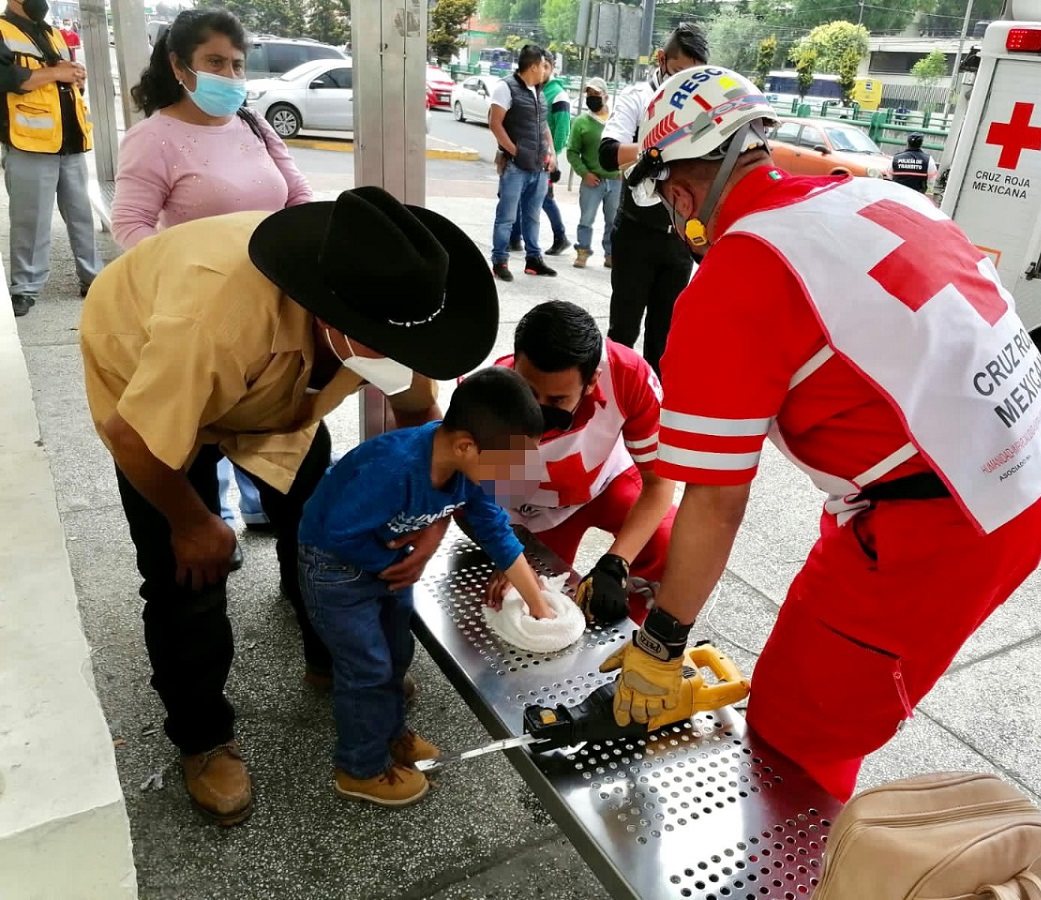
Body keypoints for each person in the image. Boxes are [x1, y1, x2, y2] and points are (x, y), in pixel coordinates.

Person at [609, 67, 1041, 803]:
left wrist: (662, 642)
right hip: (1021, 472)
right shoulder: (879, 193)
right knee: (826, 672)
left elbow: (713, 501)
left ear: (679, 193)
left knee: (800, 729)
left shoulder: (738, 272)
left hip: (940, 529)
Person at [79, 186, 499, 825]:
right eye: (381, 346)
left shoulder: (394, 303)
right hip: (149, 387)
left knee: (320, 522)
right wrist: (194, 523)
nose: (399, 362)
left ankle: (331, 654)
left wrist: (434, 518)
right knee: (186, 574)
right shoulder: (213, 319)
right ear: (330, 318)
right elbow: (131, 435)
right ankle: (202, 736)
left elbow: (421, 421)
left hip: (277, 400)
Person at [298, 367, 554, 807]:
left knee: (397, 653)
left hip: (388, 565)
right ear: (466, 446)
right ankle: (359, 768)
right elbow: (339, 533)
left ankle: (391, 732)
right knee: (367, 669)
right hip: (336, 570)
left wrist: (540, 608)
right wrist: (393, 564)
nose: (514, 475)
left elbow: (496, 533)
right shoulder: (393, 467)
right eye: (510, 463)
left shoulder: (468, 470)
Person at [113, 8, 314, 560]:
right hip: (201, 328)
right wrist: (184, 278)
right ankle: (210, 523)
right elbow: (130, 227)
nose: (229, 75)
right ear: (180, 66)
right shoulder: (152, 138)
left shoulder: (253, 124)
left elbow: (297, 196)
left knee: (296, 459)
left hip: (274, 325)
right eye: (214, 62)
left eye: (237, 64)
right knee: (196, 444)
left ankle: (286, 554)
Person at [484, 300, 676, 627]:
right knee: (519, 602)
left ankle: (627, 630)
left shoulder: (629, 376)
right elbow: (473, 499)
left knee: (668, 542)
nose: (538, 409)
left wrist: (616, 564)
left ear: (592, 381)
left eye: (557, 400)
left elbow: (659, 484)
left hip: (605, 482)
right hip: (530, 506)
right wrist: (510, 554)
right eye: (529, 392)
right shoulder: (488, 396)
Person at [598, 23, 707, 376]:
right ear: (662, 60)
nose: (682, 86)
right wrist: (655, 150)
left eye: (692, 78)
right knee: (623, 333)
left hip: (679, 237)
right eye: (676, 73)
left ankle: (652, 418)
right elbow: (607, 153)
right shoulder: (637, 97)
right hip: (636, 233)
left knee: (664, 342)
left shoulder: (702, 106)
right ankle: (612, 411)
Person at [0, 0, 102, 318]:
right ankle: (25, 289)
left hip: (70, 140)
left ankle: (93, 278)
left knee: (81, 216)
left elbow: (64, 79)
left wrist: (76, 78)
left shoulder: (54, 33)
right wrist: (57, 72)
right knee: (31, 221)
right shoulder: (2, 30)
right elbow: (7, 79)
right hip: (29, 143)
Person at [488, 43, 557, 282]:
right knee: (506, 216)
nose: (547, 71)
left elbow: (542, 124)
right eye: (544, 66)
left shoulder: (537, 90)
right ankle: (499, 261)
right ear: (534, 66)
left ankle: (533, 260)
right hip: (516, 166)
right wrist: (515, 151)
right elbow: (495, 123)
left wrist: (552, 153)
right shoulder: (505, 88)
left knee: (533, 216)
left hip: (539, 167)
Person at [510, 49, 570, 258]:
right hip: (529, 155)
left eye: (545, 66)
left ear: (551, 68)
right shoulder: (535, 88)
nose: (541, 70)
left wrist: (553, 155)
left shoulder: (557, 93)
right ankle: (515, 238)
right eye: (539, 66)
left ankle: (560, 236)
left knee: (543, 199)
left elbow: (562, 128)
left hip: (543, 157)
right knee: (523, 197)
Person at [567, 77, 620, 269]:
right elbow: (572, 152)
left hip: (615, 180)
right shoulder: (581, 122)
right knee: (586, 219)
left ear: (605, 95)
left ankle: (610, 254)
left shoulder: (617, 120)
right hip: (592, 181)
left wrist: (624, 171)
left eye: (596, 94)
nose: (592, 98)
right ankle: (582, 252)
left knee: (613, 221)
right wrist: (584, 173)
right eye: (589, 94)